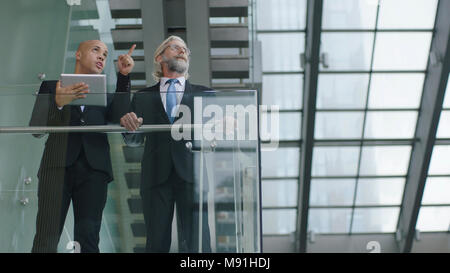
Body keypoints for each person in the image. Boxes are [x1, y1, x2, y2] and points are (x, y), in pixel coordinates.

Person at [29, 40, 135, 253]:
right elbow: (36, 128)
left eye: (105, 54)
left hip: (94, 170)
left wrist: (123, 77)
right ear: (78, 54)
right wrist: (59, 103)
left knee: (88, 238)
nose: (102, 57)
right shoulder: (51, 86)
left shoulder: (106, 94)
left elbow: (119, 116)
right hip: (56, 167)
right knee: (46, 236)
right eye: (96, 50)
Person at [120, 36, 212, 253]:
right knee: (156, 243)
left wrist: (226, 122)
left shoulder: (203, 94)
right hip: (155, 175)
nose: (182, 51)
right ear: (159, 57)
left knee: (199, 242)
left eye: (185, 49)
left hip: (192, 174)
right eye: (175, 47)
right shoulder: (143, 97)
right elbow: (133, 141)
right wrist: (130, 128)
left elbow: (217, 131)